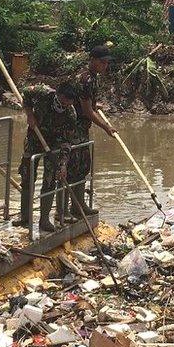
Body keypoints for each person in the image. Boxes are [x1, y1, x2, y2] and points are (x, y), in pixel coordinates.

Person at [13, 83, 78, 233]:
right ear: (58, 94)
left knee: (50, 180)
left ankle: (44, 220)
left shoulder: (70, 114)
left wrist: (63, 164)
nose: (65, 106)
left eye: (69, 104)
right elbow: (25, 93)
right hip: (35, 137)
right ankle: (25, 216)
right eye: (63, 102)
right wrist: (29, 114)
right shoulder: (43, 93)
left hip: (54, 145)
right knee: (27, 176)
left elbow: (67, 142)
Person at [66, 45, 118, 219]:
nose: (105, 66)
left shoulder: (92, 78)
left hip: (81, 128)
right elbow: (87, 111)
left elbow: (87, 104)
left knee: (82, 167)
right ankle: (67, 210)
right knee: (73, 168)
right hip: (74, 128)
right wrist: (106, 127)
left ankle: (79, 206)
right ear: (93, 60)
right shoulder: (86, 79)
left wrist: (95, 106)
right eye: (102, 62)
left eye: (106, 63)